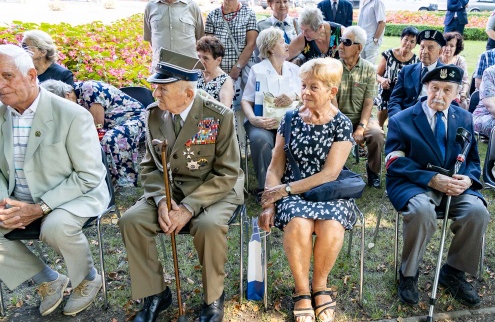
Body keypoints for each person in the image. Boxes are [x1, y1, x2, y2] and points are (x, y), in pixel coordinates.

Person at [118, 49, 244, 322]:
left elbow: (227, 173)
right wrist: (163, 201)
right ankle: (155, 294)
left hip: (215, 188)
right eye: (156, 88)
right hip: (170, 189)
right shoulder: (154, 115)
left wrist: (187, 208)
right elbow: (150, 166)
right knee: (131, 220)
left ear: (187, 94)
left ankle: (213, 299)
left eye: (162, 89)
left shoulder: (218, 116)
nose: (155, 95)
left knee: (207, 226)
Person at [0, 44, 109, 317]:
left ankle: (87, 278)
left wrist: (40, 208)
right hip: (19, 197)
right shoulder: (1, 116)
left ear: (32, 75)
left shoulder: (72, 115)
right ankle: (47, 279)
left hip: (74, 195)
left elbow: (89, 175)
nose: (0, 85)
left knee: (57, 226)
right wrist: (3, 203)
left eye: (7, 75)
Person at [258, 58, 358, 322]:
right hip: (291, 192)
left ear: (331, 91)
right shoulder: (289, 119)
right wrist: (270, 202)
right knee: (299, 224)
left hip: (328, 192)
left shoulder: (342, 124)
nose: (305, 92)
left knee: (332, 225)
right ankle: (302, 291)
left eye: (314, 87)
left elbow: (329, 174)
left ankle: (320, 287)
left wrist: (285, 190)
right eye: (303, 85)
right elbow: (274, 168)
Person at [386, 65, 488, 307]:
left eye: (447, 90)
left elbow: (472, 158)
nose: (439, 95)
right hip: (414, 183)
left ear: (457, 93)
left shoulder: (464, 117)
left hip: (454, 185)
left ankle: (453, 272)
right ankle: (408, 275)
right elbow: (393, 161)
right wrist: (430, 179)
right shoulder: (403, 119)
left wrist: (469, 179)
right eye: (434, 88)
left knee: (477, 212)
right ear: (426, 88)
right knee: (422, 212)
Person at [40, 79, 146, 188]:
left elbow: (97, 126)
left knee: (109, 139)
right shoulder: (74, 97)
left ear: (67, 96)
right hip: (111, 125)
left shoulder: (88, 89)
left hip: (135, 118)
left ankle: (123, 182)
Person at [242, 27, 301, 194]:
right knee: (260, 139)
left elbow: (304, 96)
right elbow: (246, 100)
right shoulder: (257, 70)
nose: (287, 45)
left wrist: (294, 96)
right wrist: (253, 119)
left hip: (288, 122)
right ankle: (266, 188)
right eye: (282, 42)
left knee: (299, 138)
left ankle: (293, 184)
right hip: (262, 121)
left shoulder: (294, 69)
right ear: (270, 49)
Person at [205, 0, 258, 151]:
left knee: (242, 107)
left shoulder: (248, 14)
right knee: (223, 107)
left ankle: (244, 146)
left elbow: (251, 44)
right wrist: (216, 70)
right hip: (219, 72)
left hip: (241, 71)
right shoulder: (212, 15)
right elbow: (209, 45)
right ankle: (226, 145)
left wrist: (237, 67)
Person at [335, 26, 385, 188]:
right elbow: (330, 100)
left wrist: (361, 127)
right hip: (337, 116)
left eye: (346, 42)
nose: (340, 46)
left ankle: (373, 171)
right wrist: (342, 124)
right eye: (341, 41)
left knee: (377, 134)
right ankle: (337, 169)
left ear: (359, 48)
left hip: (361, 117)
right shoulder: (332, 68)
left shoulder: (369, 69)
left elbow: (369, 103)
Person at [143, 0, 204, 68]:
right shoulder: (150, 7)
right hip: (161, 70)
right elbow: (150, 39)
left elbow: (201, 38)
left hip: (188, 71)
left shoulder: (192, 7)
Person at [388, 29, 446, 118]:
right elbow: (395, 99)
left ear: (440, 52)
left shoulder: (446, 74)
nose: (424, 51)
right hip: (407, 117)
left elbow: (449, 104)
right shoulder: (407, 71)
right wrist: (399, 119)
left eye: (430, 48)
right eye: (422, 47)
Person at [375, 26, 419, 127]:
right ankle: (380, 129)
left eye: (412, 42)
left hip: (404, 93)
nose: (408, 43)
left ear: (415, 45)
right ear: (401, 39)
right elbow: (376, 75)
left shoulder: (416, 61)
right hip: (387, 90)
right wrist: (382, 80)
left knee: (399, 117)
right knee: (384, 107)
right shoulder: (388, 55)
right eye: (406, 39)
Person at [256, 0, 303, 64]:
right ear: (270, 4)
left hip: (295, 70)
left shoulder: (298, 24)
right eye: (278, 2)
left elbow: (305, 50)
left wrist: (298, 60)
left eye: (285, 1)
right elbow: (259, 55)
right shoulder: (261, 26)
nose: (282, 5)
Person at [196, 35, 234, 108]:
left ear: (218, 60)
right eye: (199, 57)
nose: (201, 61)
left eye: (206, 58)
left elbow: (225, 110)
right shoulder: (196, 73)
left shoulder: (225, 81)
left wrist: (206, 97)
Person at [358, 0, 386, 64]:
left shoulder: (377, 1)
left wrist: (375, 40)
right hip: (361, 40)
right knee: (360, 66)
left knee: (369, 68)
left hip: (371, 42)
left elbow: (382, 23)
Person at [439, 32, 471, 109]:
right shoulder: (436, 59)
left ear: (456, 47)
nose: (448, 48)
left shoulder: (460, 61)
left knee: (463, 104)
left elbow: (465, 81)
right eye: (446, 45)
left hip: (456, 93)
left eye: (452, 46)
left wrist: (463, 93)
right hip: (439, 92)